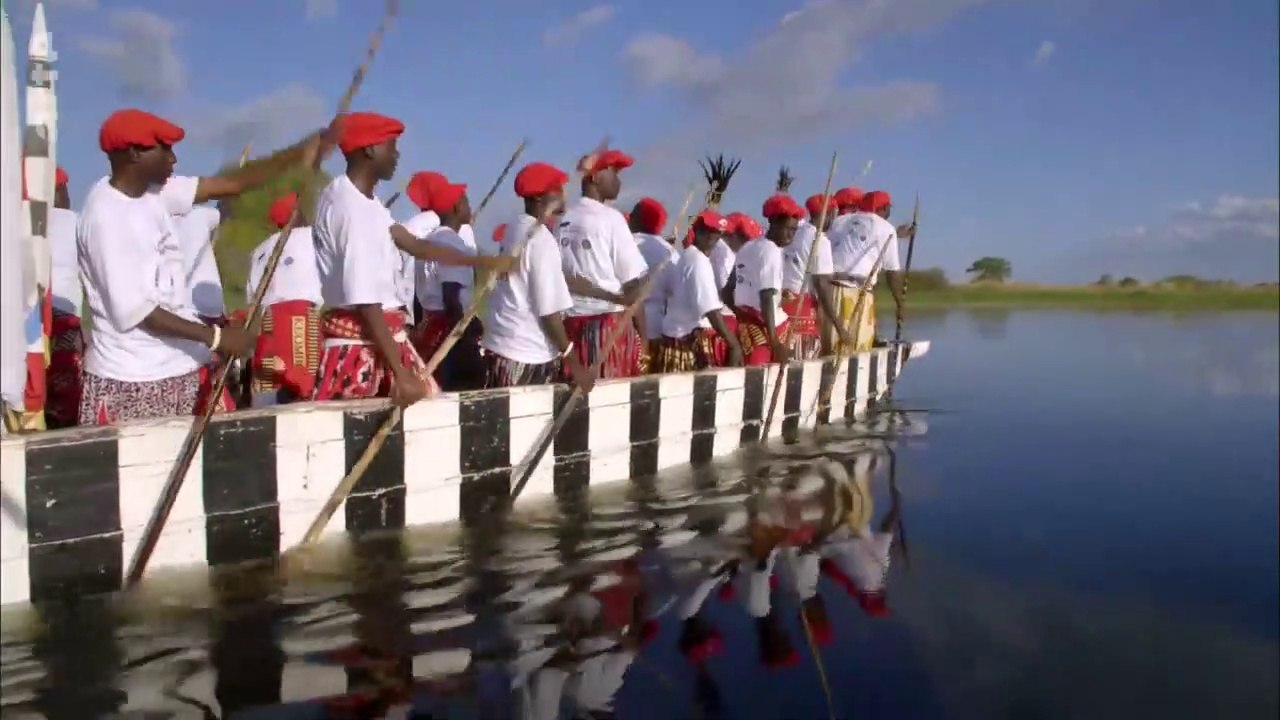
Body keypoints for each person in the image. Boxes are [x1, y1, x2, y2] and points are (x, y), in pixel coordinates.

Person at [76, 108, 316, 426]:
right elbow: (138, 312)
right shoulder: (108, 217)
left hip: (179, 368)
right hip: (134, 382)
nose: (174, 159)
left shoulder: (153, 193)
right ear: (134, 153)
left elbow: (230, 184)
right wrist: (216, 338)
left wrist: (294, 157)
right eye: (165, 149)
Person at [311, 112, 509, 406]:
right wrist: (401, 373)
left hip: (377, 341)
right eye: (391, 146)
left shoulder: (357, 197)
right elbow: (366, 301)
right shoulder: (353, 212)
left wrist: (482, 263)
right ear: (369, 149)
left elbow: (414, 245)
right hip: (363, 352)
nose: (397, 155)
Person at [481, 161, 594, 392]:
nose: (563, 194)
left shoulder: (515, 227)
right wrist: (574, 362)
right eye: (557, 189)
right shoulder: (541, 239)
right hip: (526, 354)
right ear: (539, 199)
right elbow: (549, 313)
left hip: (503, 345)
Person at [557, 148, 648, 379]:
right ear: (596, 177)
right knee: (611, 400)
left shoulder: (562, 219)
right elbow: (632, 284)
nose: (618, 180)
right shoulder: (611, 218)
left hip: (569, 326)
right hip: (608, 325)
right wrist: (644, 338)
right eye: (614, 172)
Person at [243, 192, 323, 407]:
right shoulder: (312, 236)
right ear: (295, 214)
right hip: (299, 320)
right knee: (303, 387)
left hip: (267, 322)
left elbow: (251, 295)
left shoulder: (259, 250)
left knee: (267, 384)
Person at [408, 172, 484, 391]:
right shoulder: (450, 243)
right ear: (455, 208)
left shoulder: (430, 240)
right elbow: (451, 296)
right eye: (466, 201)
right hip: (448, 330)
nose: (470, 207)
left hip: (431, 325)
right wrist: (464, 340)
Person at [653, 210, 744, 372]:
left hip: (677, 336)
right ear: (696, 231)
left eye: (716, 232)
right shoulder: (698, 261)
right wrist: (734, 345)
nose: (711, 236)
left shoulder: (689, 256)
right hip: (685, 344)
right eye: (706, 230)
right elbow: (711, 311)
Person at [828, 190, 914, 352]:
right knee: (856, 346)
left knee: (834, 344)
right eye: (888, 208)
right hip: (857, 292)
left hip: (830, 290)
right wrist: (900, 304)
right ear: (883, 208)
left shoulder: (839, 221)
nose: (889, 212)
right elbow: (892, 272)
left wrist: (897, 235)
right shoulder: (886, 229)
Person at [732, 194, 803, 366]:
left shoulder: (748, 246)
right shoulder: (771, 251)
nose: (791, 235)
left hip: (746, 326)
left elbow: (728, 290)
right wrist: (774, 342)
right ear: (773, 223)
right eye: (787, 228)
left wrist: (741, 313)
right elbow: (766, 296)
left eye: (794, 230)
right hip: (766, 331)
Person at [783, 193, 853, 359]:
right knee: (804, 358)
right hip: (802, 307)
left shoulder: (796, 231)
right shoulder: (819, 239)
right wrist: (839, 327)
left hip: (782, 305)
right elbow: (822, 285)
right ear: (830, 214)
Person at [46, 167, 81, 428]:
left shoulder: (22, 221)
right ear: (59, 191)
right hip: (64, 315)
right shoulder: (72, 221)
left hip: (32, 317)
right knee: (66, 384)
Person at [628, 197, 676, 369]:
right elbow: (675, 291)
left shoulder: (626, 243)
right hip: (659, 327)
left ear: (637, 219)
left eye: (632, 214)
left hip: (625, 329)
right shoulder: (669, 251)